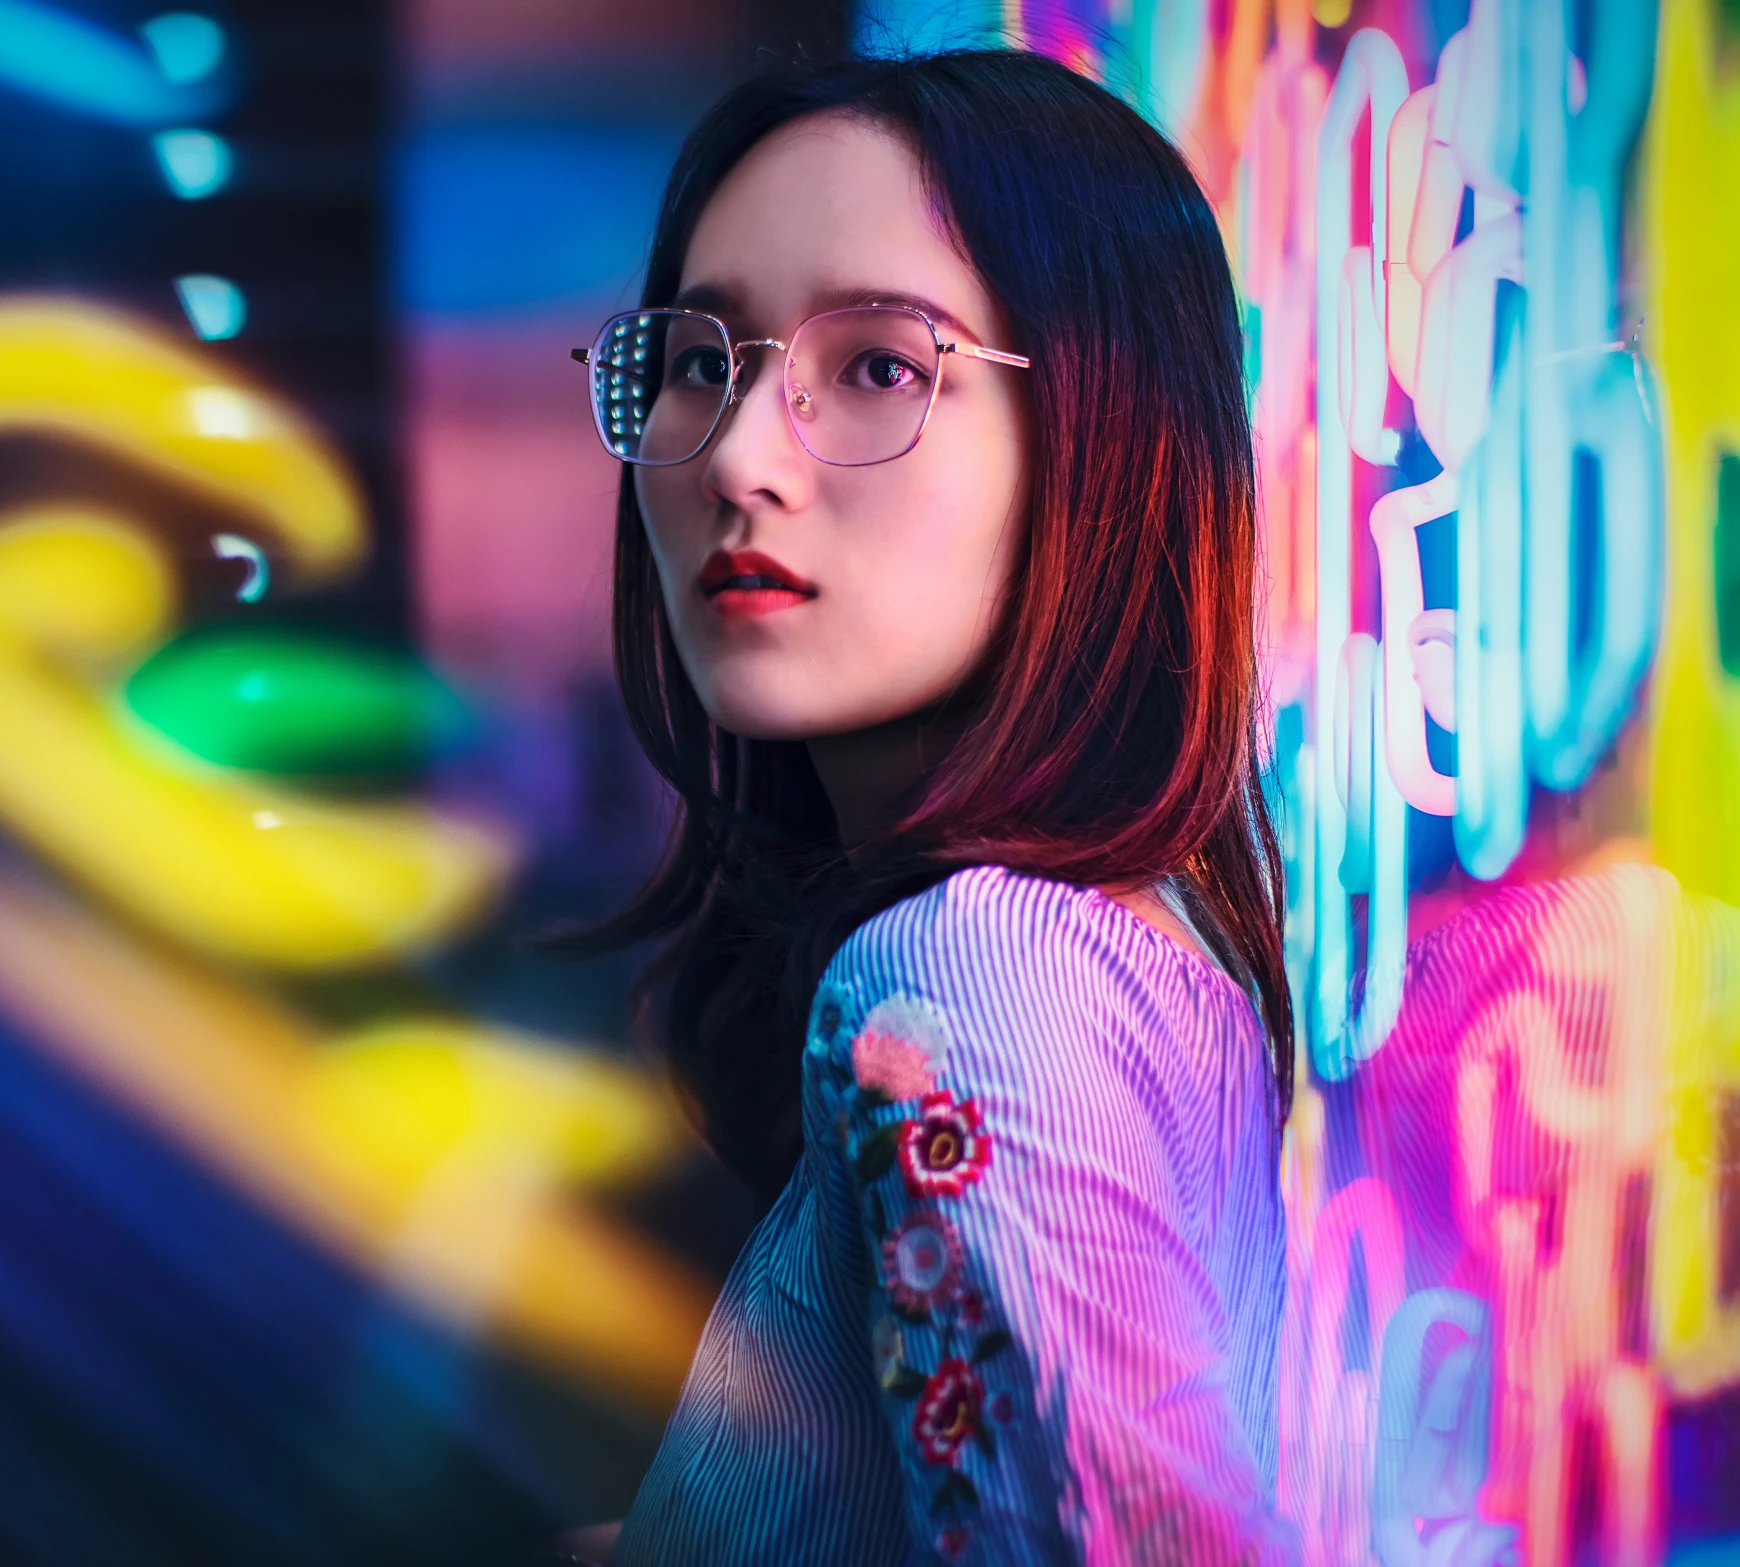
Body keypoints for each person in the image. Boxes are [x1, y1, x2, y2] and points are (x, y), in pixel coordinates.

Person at [555, 48, 1298, 1566]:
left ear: (1099, 436)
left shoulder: (973, 979)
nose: (743, 461)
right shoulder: (1114, 931)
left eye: (881, 365)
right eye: (704, 360)